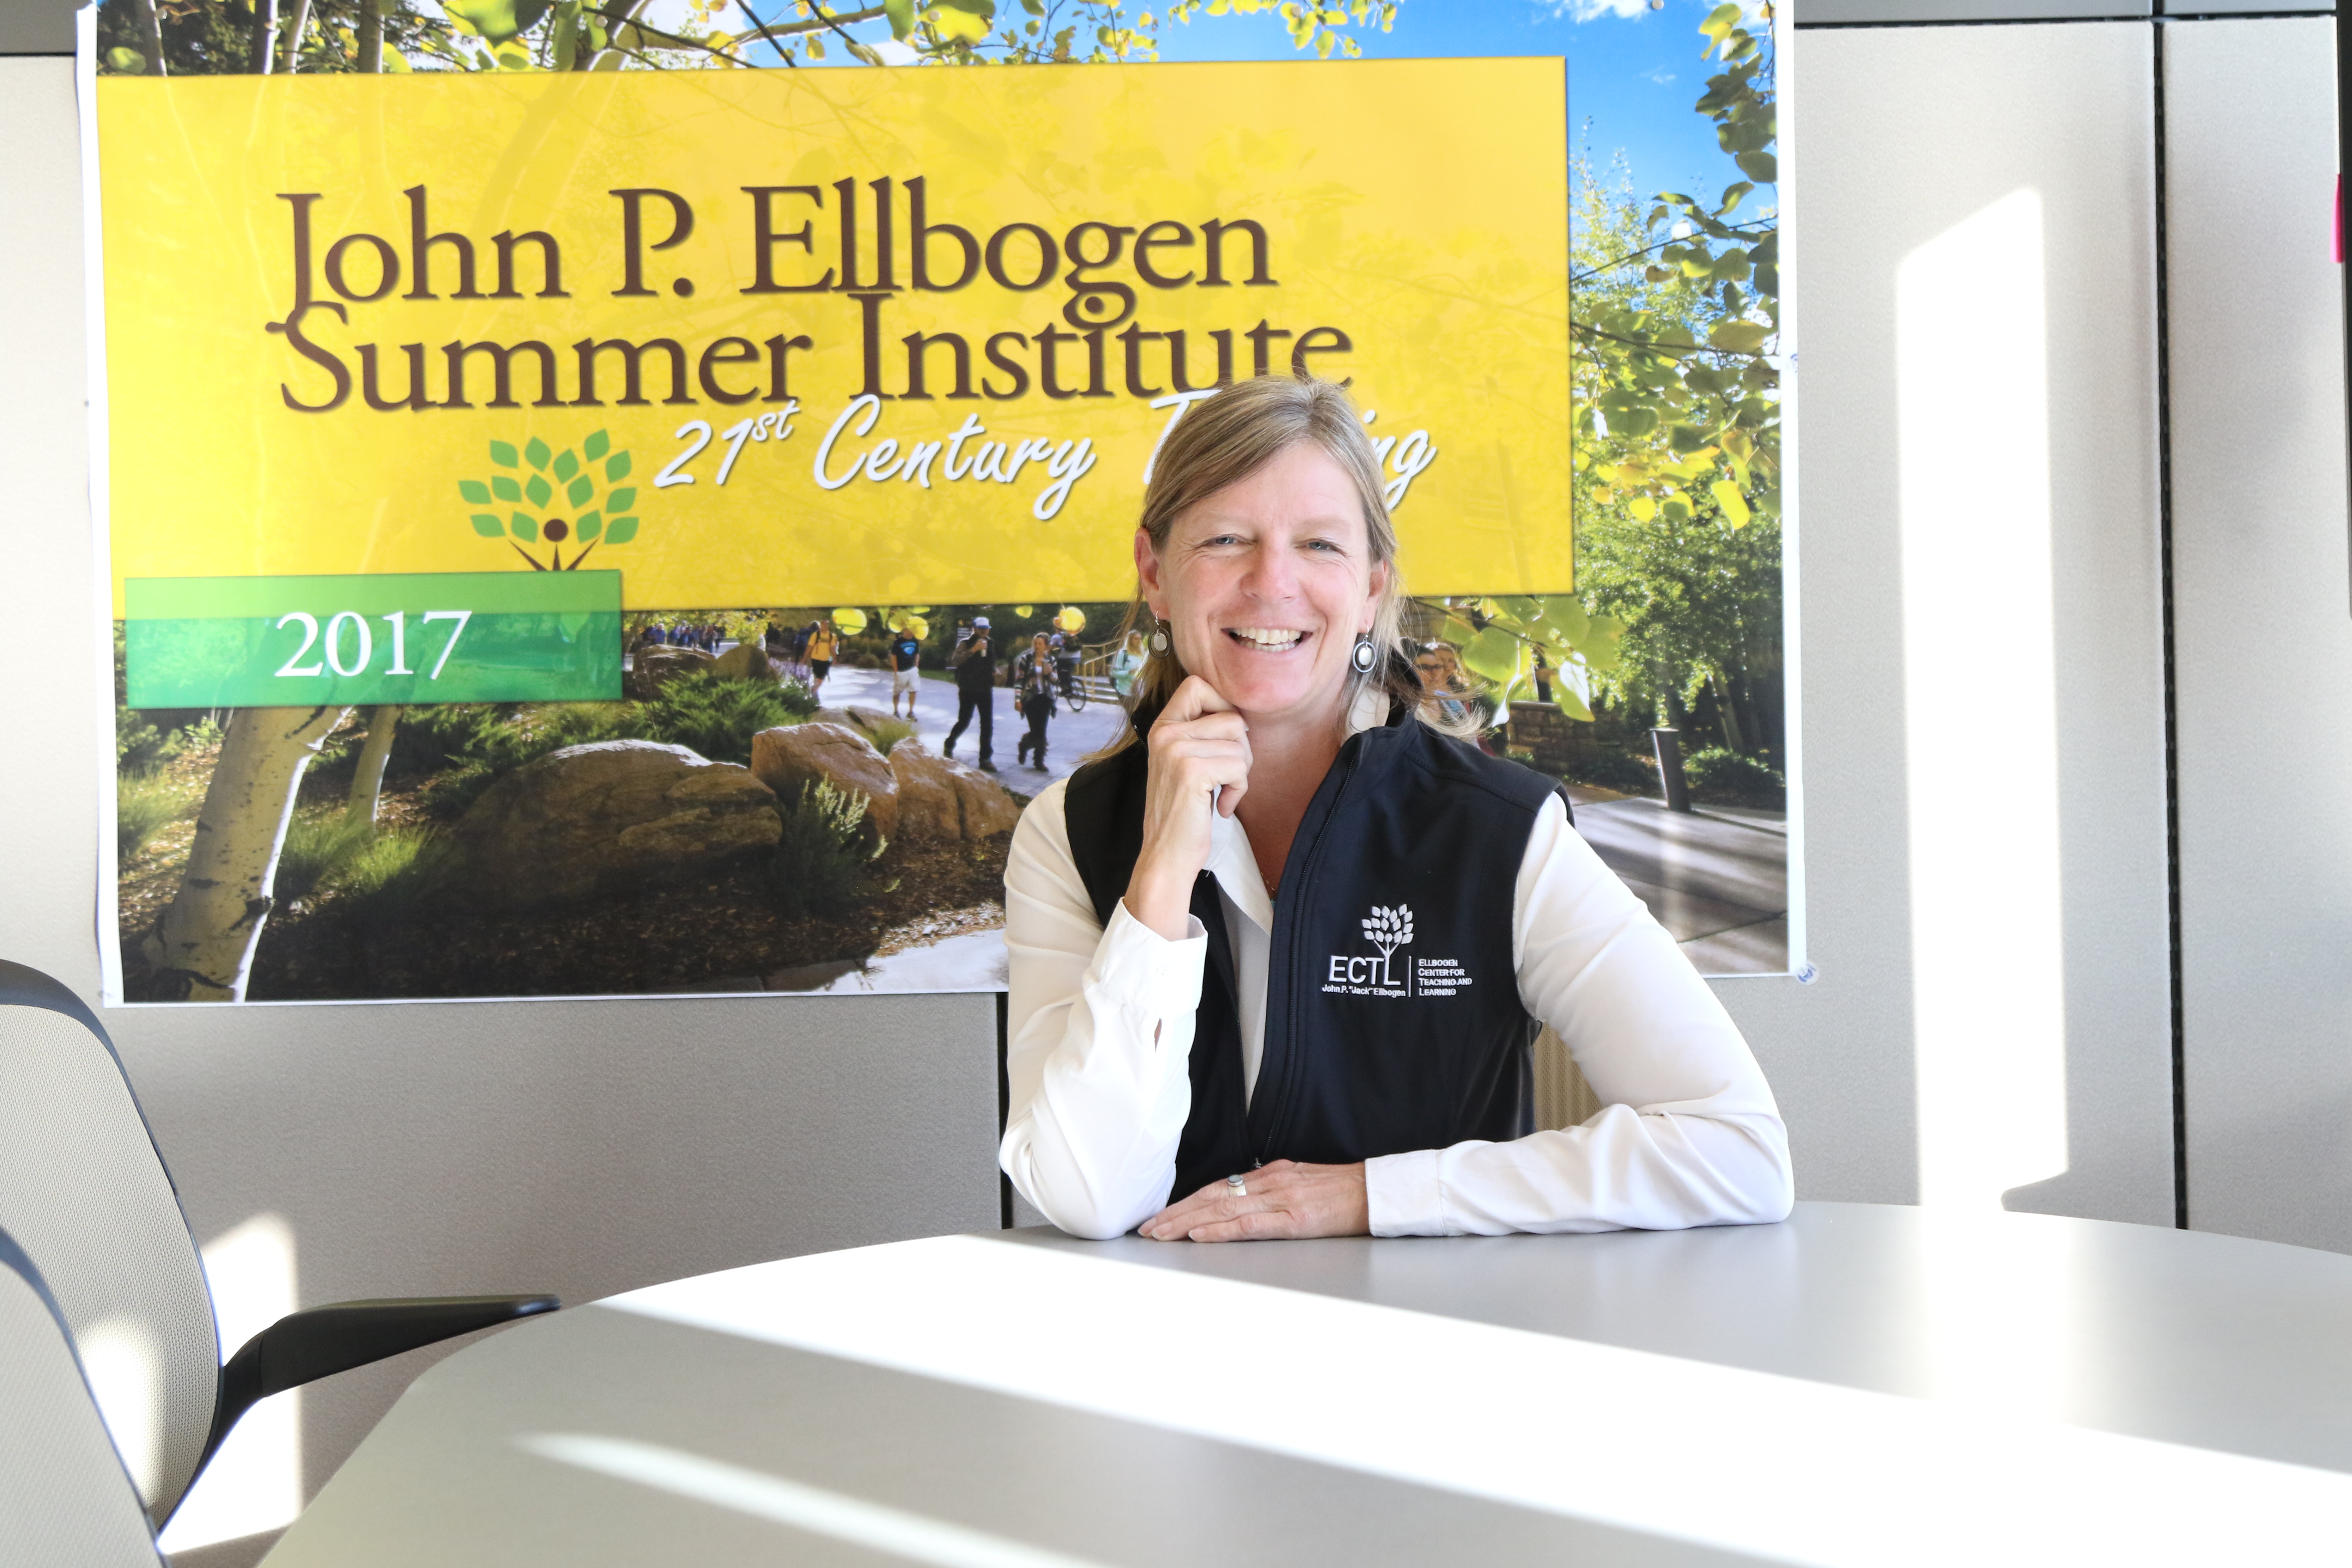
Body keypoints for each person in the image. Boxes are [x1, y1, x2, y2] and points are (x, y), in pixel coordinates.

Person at [998, 374, 1791, 1243]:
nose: (1274, 583)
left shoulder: (1500, 829)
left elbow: (1737, 1149)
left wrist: (1372, 1196)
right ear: (1155, 574)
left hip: (1441, 1349)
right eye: (1227, 539)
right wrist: (1158, 883)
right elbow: (1086, 1197)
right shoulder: (1068, 833)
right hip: (1156, 1358)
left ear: (1372, 586)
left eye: (1319, 546)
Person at [944, 614, 997, 772]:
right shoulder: (965, 643)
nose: (983, 633)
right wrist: (973, 650)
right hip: (968, 688)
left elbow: (990, 663)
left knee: (987, 724)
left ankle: (985, 758)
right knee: (964, 721)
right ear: (974, 629)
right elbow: (955, 660)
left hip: (985, 688)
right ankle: (949, 743)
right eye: (981, 629)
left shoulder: (991, 644)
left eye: (986, 629)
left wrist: (994, 671)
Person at [1013, 632, 1058, 770]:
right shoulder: (1026, 660)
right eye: (1035, 643)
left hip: (1045, 699)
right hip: (1030, 699)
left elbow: (1056, 680)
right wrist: (1018, 699)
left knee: (1042, 731)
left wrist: (1050, 673)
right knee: (1035, 730)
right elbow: (1019, 680)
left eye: (1040, 644)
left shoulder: (1051, 660)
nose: (1037, 646)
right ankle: (1024, 745)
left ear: (1046, 646)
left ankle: (1039, 761)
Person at [889, 623, 925, 719]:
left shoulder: (915, 641)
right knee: (897, 692)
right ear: (905, 630)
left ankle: (911, 712)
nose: (912, 632)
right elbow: (893, 656)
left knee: (914, 690)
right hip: (901, 670)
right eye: (911, 630)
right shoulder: (898, 642)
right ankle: (896, 711)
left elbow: (917, 654)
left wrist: (916, 666)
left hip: (912, 670)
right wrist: (896, 670)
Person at [806, 618, 838, 695]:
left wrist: (835, 658)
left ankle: (815, 689)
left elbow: (832, 648)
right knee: (817, 676)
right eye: (824, 624)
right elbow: (810, 646)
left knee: (822, 677)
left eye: (827, 624)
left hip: (826, 659)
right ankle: (815, 690)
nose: (825, 626)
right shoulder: (816, 635)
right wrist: (805, 657)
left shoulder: (832, 636)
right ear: (821, 625)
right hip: (816, 658)